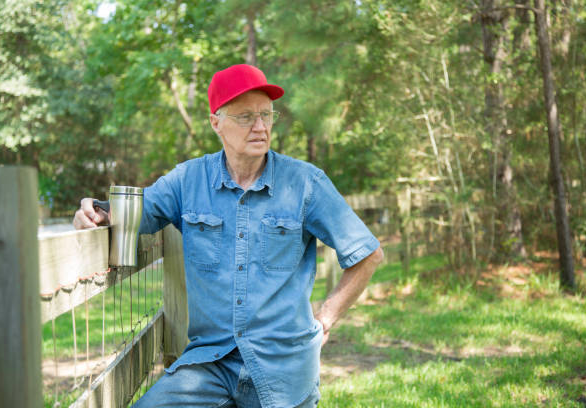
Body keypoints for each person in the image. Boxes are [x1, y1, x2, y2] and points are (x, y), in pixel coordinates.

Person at [73, 64, 384, 408]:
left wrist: (326, 318)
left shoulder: (305, 183)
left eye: (267, 115)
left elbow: (368, 254)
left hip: (283, 367)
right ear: (215, 122)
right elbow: (139, 212)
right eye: (246, 117)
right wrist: (96, 212)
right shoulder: (187, 180)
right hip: (210, 364)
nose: (261, 127)